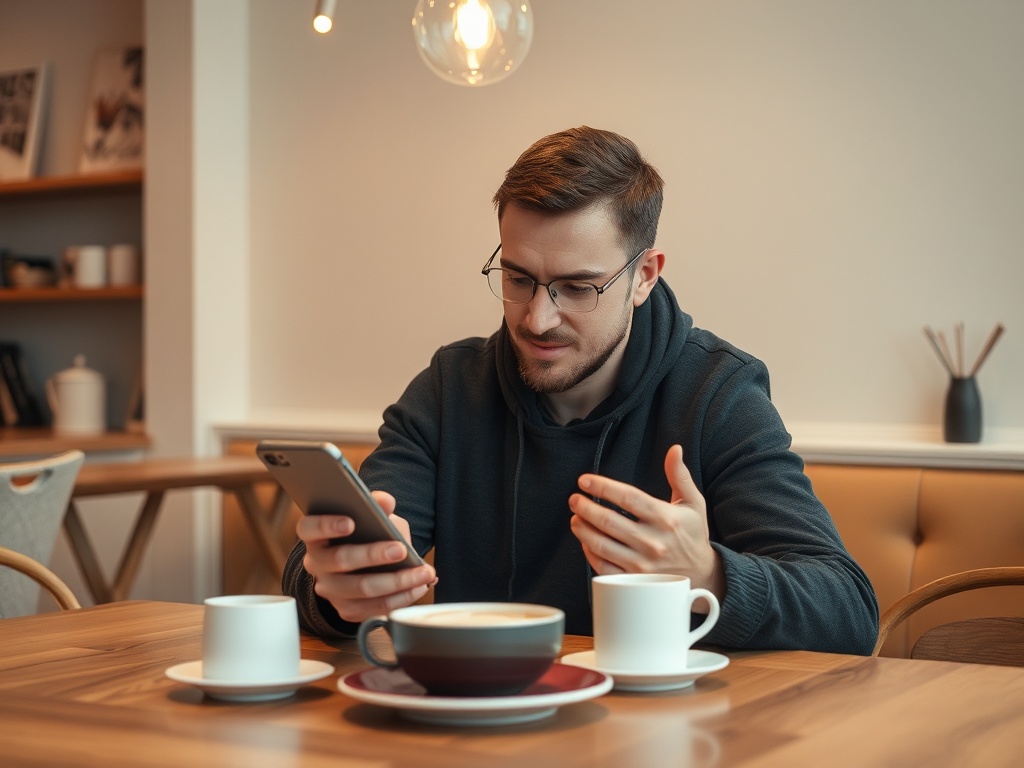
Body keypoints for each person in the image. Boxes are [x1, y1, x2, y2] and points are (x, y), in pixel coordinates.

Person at [283, 126, 879, 654]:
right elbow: (316, 580)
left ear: (644, 276)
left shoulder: (715, 393)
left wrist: (705, 575)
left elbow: (848, 611)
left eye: (576, 287)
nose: (538, 319)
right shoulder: (450, 388)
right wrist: (340, 587)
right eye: (519, 279)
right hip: (482, 724)